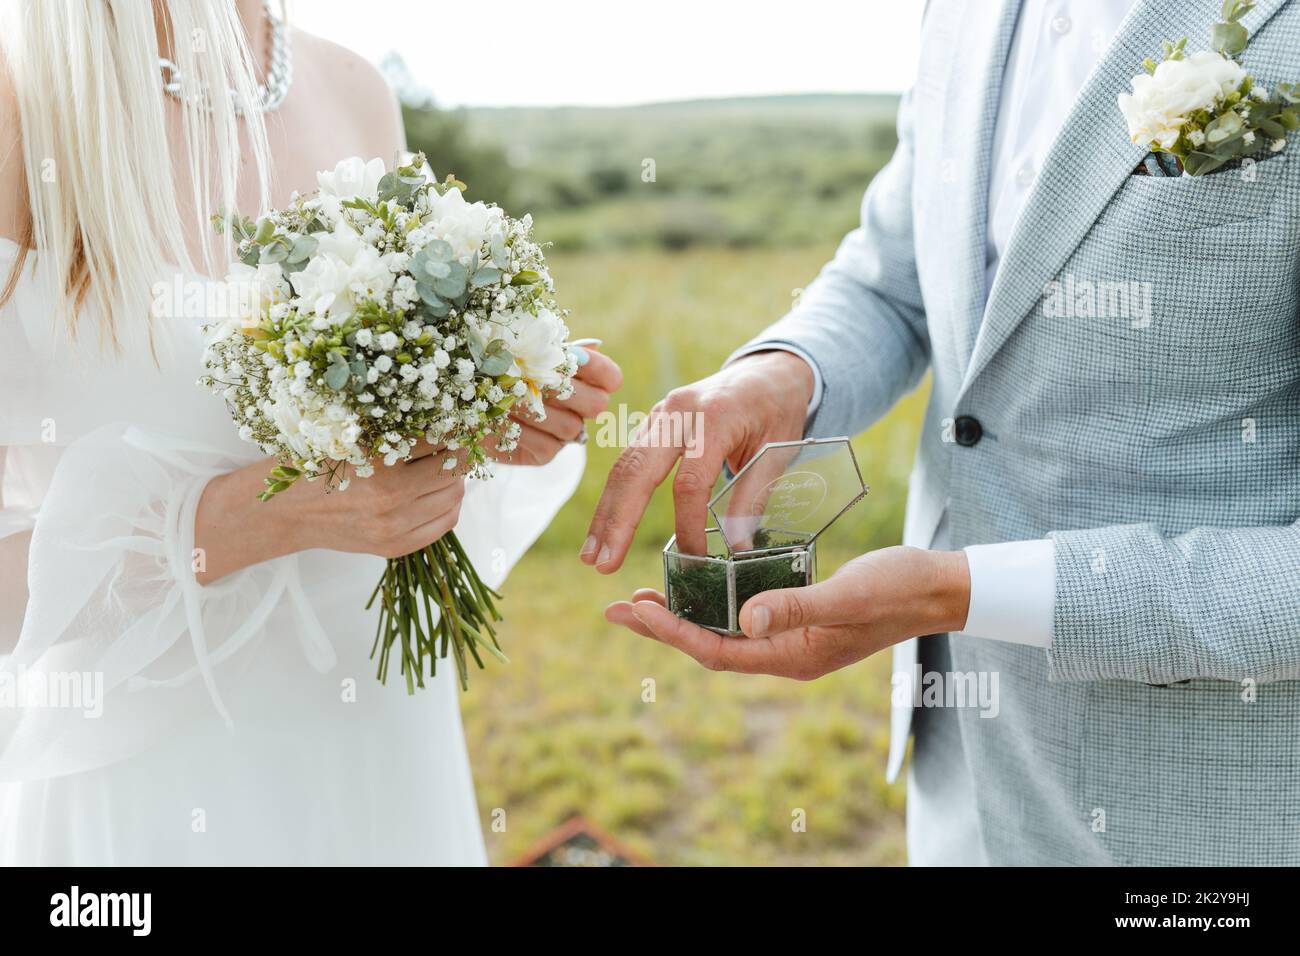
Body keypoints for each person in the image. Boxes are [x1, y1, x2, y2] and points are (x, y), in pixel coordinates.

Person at [593, 0, 1300, 865]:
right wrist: (782, 371)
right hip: (960, 766)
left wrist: (955, 591)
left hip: (1208, 809)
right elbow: (896, 274)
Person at [0, 0, 620, 864]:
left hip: (377, 722)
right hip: (150, 772)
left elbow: (378, 423)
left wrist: (477, 417)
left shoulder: (355, 88)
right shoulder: (25, 97)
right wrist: (245, 522)